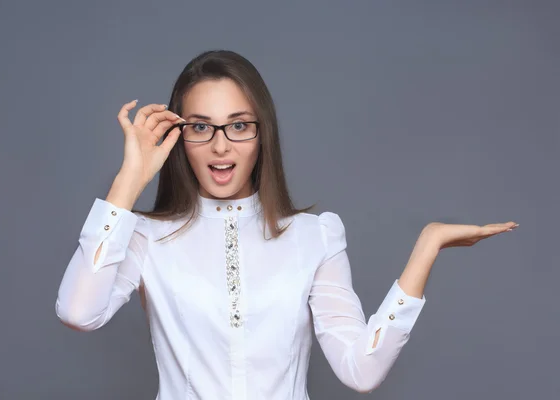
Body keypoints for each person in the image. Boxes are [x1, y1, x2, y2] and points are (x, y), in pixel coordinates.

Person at [55, 49, 518, 399]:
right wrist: (128, 182)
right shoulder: (144, 237)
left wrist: (427, 246)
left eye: (239, 126)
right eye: (201, 127)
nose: (221, 146)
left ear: (262, 134)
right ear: (180, 137)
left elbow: (362, 370)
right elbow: (79, 313)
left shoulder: (314, 237)